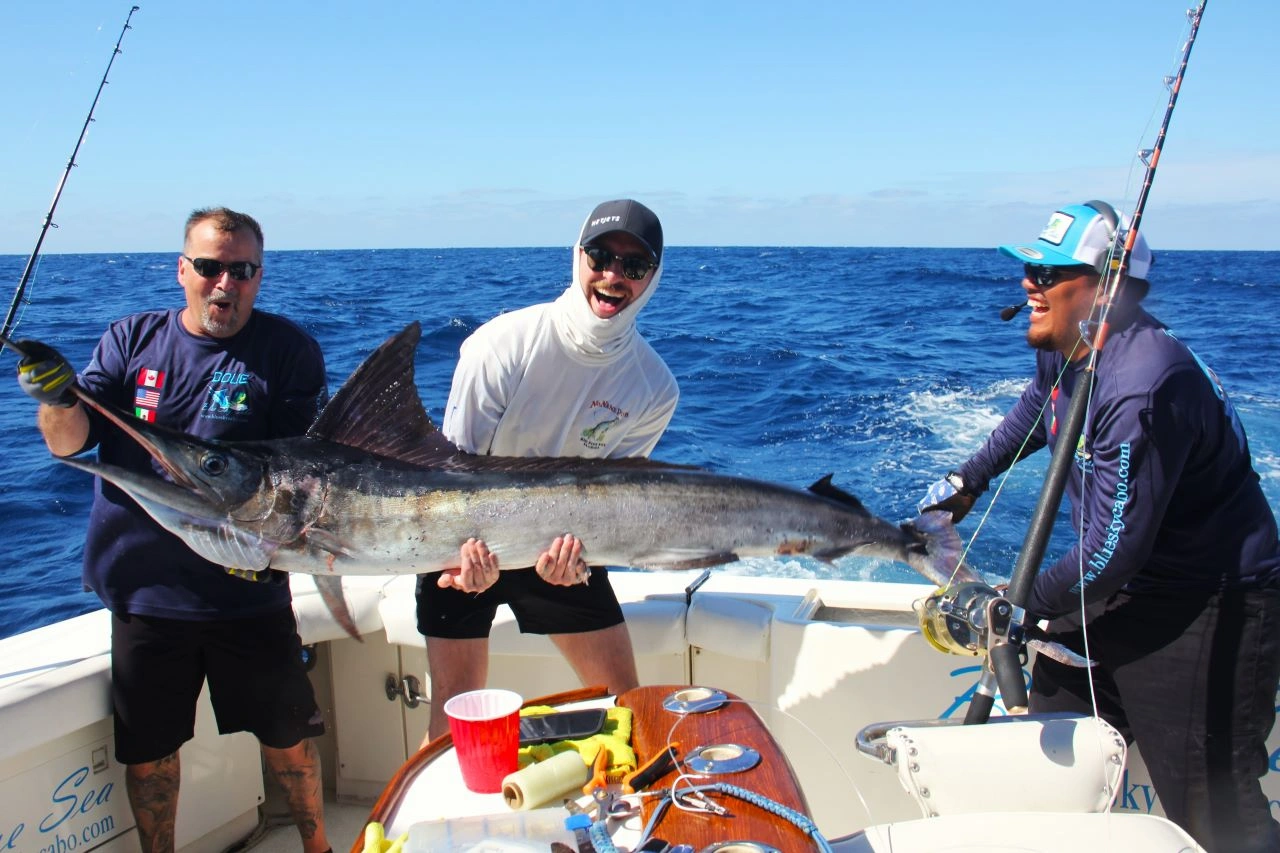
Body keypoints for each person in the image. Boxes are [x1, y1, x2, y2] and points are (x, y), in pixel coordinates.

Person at [920, 201, 1280, 852]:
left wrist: (1018, 605)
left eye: (1050, 271)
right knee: (1040, 779)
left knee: (1215, 813)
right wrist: (968, 480)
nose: (1030, 282)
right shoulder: (1071, 346)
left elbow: (1111, 552)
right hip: (1116, 596)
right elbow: (1039, 406)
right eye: (1029, 267)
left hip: (1204, 608)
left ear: (1105, 287)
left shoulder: (1145, 383)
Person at [15, 208, 332, 853]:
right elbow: (70, 445)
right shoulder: (133, 339)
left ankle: (321, 849)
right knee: (151, 754)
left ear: (258, 277)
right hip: (147, 593)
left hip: (250, 587)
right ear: (183, 270)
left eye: (240, 270)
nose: (224, 283)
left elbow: (307, 467)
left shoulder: (287, 349)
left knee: (289, 743)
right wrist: (57, 399)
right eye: (210, 267)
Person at [415, 198, 679, 743]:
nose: (612, 276)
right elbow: (452, 477)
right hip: (464, 544)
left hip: (563, 549)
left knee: (625, 706)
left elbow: (614, 504)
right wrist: (458, 565)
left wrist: (579, 563)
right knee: (453, 715)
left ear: (652, 278)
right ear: (577, 255)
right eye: (601, 256)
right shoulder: (502, 344)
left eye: (633, 266)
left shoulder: (654, 388)